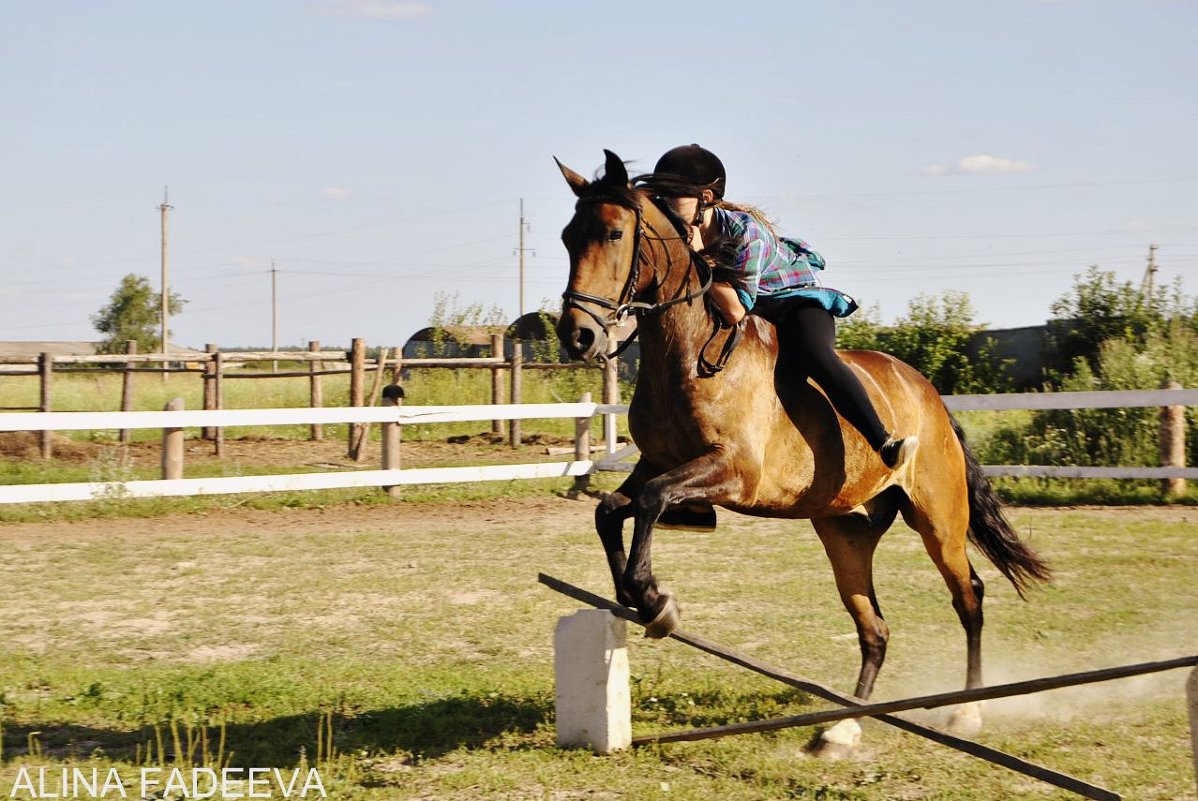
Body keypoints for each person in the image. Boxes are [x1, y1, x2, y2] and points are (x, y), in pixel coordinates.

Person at [640, 143, 917, 470]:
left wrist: (697, 258)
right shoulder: (673, 233)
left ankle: (882, 441)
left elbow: (735, 311)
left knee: (815, 354)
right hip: (754, 306)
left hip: (794, 302)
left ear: (706, 198)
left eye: (674, 196)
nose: (665, 204)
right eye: (661, 197)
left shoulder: (748, 233)